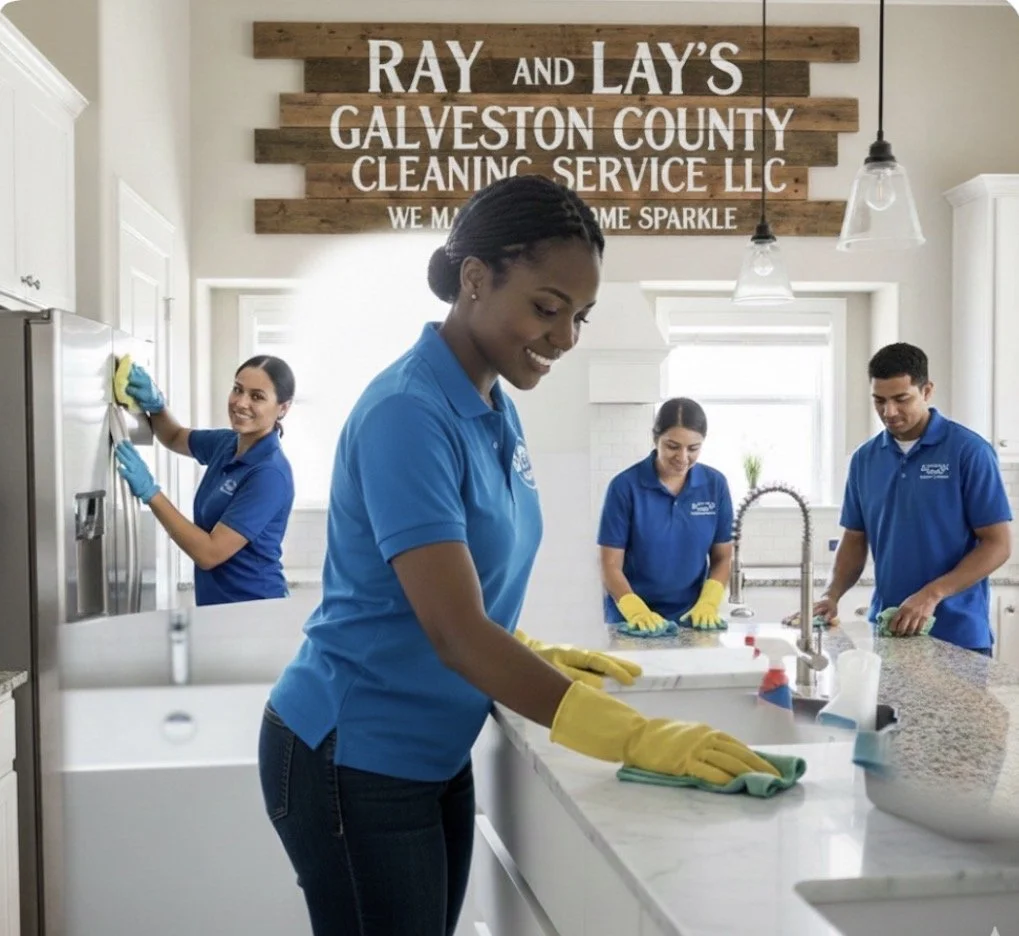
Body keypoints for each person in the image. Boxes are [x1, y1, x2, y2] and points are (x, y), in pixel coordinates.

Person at [258, 176, 777, 936]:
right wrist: (631, 735)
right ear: (475, 280)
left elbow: (463, 590)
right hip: (353, 754)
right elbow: (455, 631)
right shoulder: (410, 412)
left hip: (430, 749)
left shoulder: (491, 405)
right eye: (546, 307)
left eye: (579, 316)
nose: (564, 337)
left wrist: (538, 652)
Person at [815, 342, 1012, 654]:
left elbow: (998, 544)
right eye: (879, 401)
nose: (888, 412)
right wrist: (832, 593)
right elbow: (854, 537)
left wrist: (932, 594)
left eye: (901, 399)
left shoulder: (968, 451)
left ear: (927, 390)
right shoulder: (864, 459)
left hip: (957, 636)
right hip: (889, 630)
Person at [114, 355, 296, 606]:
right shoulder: (227, 443)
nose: (241, 403)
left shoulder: (269, 474)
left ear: (283, 408)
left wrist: (151, 492)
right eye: (237, 389)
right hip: (219, 608)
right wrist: (157, 405)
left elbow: (209, 553)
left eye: (257, 396)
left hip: (254, 609)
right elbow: (175, 436)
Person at [598, 398, 734, 631]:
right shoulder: (625, 487)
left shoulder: (715, 485)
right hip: (632, 623)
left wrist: (709, 603)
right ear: (655, 439)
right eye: (672, 446)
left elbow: (722, 557)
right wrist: (636, 611)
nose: (682, 458)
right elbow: (609, 565)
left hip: (692, 619)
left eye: (693, 448)